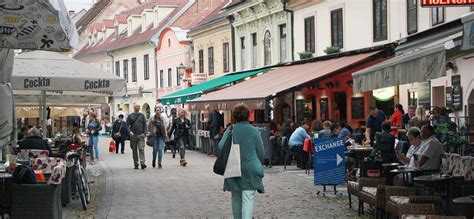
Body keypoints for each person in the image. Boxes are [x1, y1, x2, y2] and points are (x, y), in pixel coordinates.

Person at [218, 104, 264, 219]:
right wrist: (259, 164)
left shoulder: (231, 130)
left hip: (234, 166)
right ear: (248, 116)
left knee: (236, 196)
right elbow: (261, 151)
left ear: (234, 116)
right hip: (251, 166)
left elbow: (221, 146)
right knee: (248, 197)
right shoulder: (254, 131)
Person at [127, 104, 148, 169]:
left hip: (141, 135)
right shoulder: (130, 116)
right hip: (133, 136)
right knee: (134, 150)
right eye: (137, 106)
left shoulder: (142, 115)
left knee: (141, 149)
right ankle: (136, 163)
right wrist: (130, 131)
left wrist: (144, 133)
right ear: (134, 107)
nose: (138, 107)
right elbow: (126, 126)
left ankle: (142, 163)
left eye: (139, 106)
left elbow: (145, 125)